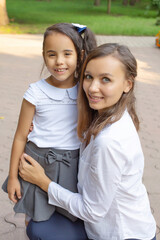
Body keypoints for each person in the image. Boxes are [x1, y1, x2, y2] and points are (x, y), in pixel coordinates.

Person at [19, 43, 157, 240]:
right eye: (88, 76)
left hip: (120, 234)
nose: (92, 88)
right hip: (108, 224)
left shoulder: (109, 141)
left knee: (39, 230)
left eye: (106, 79)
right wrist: (41, 125)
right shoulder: (112, 114)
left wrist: (44, 182)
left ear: (128, 84)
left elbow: (91, 211)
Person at [2, 22, 97, 237]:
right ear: (43, 55)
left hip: (72, 164)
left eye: (67, 54)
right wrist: (13, 177)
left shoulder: (86, 90)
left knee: (69, 214)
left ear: (80, 55)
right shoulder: (36, 92)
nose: (59, 62)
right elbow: (19, 136)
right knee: (35, 217)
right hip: (37, 162)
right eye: (52, 54)